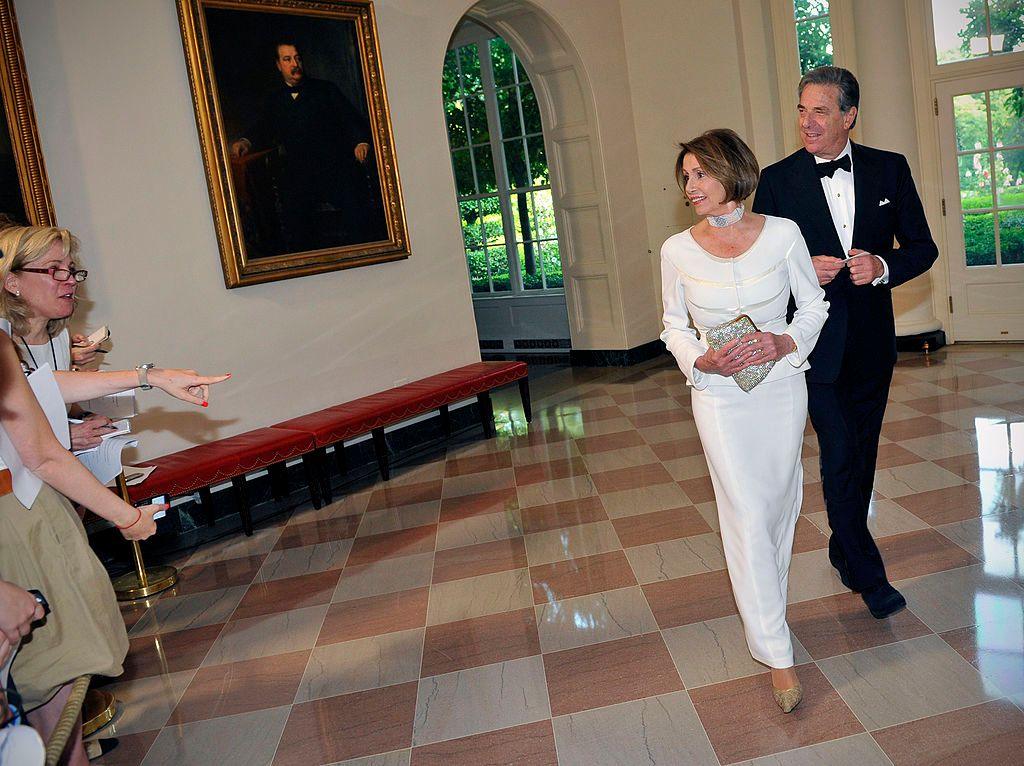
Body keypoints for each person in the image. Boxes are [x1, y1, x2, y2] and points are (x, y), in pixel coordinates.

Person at [752, 67, 938, 619]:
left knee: (863, 451)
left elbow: (923, 249)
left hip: (873, 344)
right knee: (837, 454)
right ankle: (868, 573)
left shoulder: (889, 169)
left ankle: (843, 544)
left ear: (849, 116)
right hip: (813, 346)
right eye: (802, 110)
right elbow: (762, 268)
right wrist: (801, 270)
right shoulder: (778, 180)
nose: (807, 122)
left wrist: (882, 265)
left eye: (821, 112)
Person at [661, 128, 828, 712]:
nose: (691, 186)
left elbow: (813, 304)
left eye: (700, 173)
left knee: (780, 505)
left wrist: (784, 342)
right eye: (686, 177)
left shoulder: (783, 234)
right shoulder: (675, 250)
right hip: (719, 398)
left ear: (732, 172)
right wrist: (699, 359)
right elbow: (673, 324)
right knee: (747, 513)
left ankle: (766, 607)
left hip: (781, 390)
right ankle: (777, 654)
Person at [0, 329, 172, 766]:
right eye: (54, 269)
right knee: (49, 700)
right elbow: (41, 451)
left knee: (51, 707)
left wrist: (151, 376)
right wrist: (128, 517)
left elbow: (42, 389)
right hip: (16, 523)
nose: (67, 280)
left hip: (29, 510)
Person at [0, 226, 227, 450]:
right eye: (54, 270)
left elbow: (52, 402)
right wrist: (151, 376)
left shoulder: (58, 336)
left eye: (71, 269)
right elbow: (27, 401)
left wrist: (86, 418)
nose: (70, 280)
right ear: (12, 282)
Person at [230, 41, 388, 252]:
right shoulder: (275, 100)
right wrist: (245, 141)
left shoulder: (326, 90)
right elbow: (263, 128)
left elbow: (351, 119)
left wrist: (361, 142)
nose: (295, 63)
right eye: (287, 59)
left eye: (297, 58)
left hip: (335, 168)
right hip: (299, 175)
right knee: (294, 222)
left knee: (357, 213)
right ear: (278, 65)